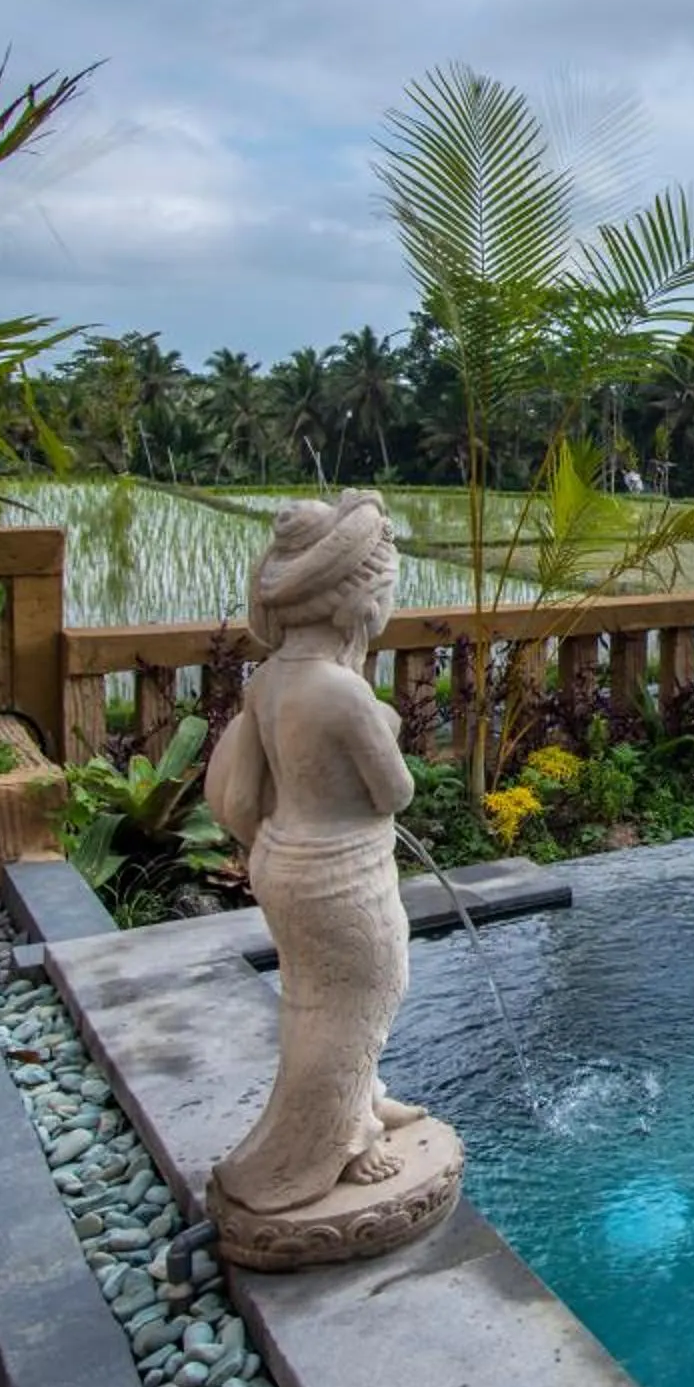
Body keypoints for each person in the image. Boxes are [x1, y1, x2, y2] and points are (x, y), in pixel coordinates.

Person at [204, 490, 427, 1211]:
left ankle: (361, 1104)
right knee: (359, 1000)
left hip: (282, 864)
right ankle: (330, 1150)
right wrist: (385, 724)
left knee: (312, 999)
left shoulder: (266, 685)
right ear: (352, 604)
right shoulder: (344, 694)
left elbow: (238, 804)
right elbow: (395, 793)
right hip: (342, 875)